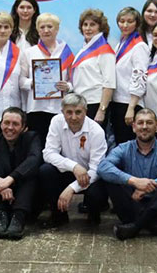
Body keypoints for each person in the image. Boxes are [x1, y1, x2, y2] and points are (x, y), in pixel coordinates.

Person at [98, 108, 157, 240]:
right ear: (134, 127)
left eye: (149, 122)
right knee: (111, 177)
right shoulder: (123, 148)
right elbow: (103, 167)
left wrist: (154, 184)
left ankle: (135, 227)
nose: (144, 127)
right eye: (140, 123)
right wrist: (134, 181)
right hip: (131, 204)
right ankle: (154, 226)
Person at [40, 93, 108, 227]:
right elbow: (48, 153)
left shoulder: (97, 131)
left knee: (97, 189)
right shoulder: (56, 121)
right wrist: (74, 166)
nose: (74, 117)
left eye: (78, 112)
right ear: (62, 112)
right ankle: (59, 216)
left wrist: (71, 188)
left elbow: (96, 169)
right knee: (45, 171)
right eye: (69, 112)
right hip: (67, 171)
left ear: (85, 111)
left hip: (90, 176)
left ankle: (93, 215)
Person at [0, 107, 43, 240]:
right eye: (6, 123)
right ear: (0, 125)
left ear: (24, 128)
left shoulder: (32, 138)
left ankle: (18, 218)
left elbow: (35, 159)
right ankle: (0, 216)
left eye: (15, 124)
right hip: (1, 195)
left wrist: (11, 179)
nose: (10, 128)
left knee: (31, 172)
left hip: (26, 196)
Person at [19, 12, 71, 139]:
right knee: (37, 145)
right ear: (37, 30)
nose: (46, 30)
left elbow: (73, 80)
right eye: (42, 27)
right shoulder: (29, 53)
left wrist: (68, 86)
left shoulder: (66, 52)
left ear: (57, 29)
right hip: (36, 108)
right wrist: (32, 83)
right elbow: (20, 80)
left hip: (59, 108)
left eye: (50, 26)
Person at [66, 8, 115, 124]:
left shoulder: (105, 50)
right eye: (85, 24)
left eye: (92, 25)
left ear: (100, 27)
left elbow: (109, 84)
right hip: (81, 103)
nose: (88, 28)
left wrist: (102, 110)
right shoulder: (83, 49)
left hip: (95, 104)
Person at [110, 7, 150, 145]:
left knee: (130, 145)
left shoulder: (139, 46)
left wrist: (131, 107)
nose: (125, 25)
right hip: (118, 101)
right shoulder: (120, 44)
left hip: (130, 103)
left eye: (130, 21)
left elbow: (140, 77)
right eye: (122, 21)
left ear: (137, 23)